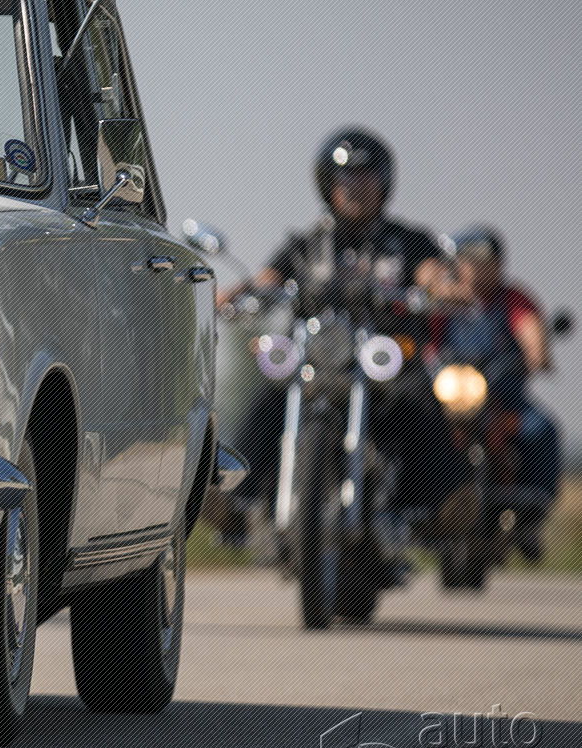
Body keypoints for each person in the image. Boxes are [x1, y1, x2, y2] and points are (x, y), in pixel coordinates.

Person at [223, 127, 464, 537]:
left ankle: (439, 507)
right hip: (318, 361)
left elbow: (431, 273)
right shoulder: (307, 244)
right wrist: (237, 293)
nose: (354, 185)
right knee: (270, 397)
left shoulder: (408, 241)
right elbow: (268, 279)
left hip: (385, 364)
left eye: (365, 175)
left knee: (419, 398)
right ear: (327, 184)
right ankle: (234, 500)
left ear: (383, 182)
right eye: (344, 176)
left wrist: (443, 286)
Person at [431, 225, 563, 559]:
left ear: (498, 264)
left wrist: (537, 353)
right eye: (468, 261)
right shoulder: (444, 302)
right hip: (450, 401)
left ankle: (532, 513)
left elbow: (530, 329)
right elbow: (424, 341)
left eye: (483, 261)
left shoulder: (513, 300)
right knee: (413, 428)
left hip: (502, 401)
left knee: (541, 430)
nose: (475, 268)